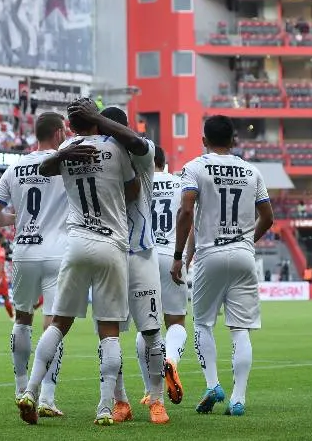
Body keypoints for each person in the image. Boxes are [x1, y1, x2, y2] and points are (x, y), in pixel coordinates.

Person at [16, 98, 139, 426]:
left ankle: (29, 390)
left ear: (70, 127)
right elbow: (133, 189)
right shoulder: (115, 149)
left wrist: (63, 154)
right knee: (109, 330)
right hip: (111, 243)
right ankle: (103, 408)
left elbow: (45, 168)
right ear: (96, 120)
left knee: (57, 323)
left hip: (76, 242)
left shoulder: (67, 149)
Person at [71, 103, 170, 424]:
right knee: (109, 333)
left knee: (152, 329)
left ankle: (156, 400)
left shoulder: (140, 153)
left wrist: (97, 119)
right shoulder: (96, 153)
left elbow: (139, 143)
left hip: (140, 251)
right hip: (107, 251)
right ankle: (121, 401)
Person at [171, 115, 274, 417]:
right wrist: (247, 241)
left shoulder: (194, 168)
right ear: (233, 141)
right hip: (243, 255)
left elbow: (187, 212)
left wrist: (179, 257)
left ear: (203, 140)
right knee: (240, 330)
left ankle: (213, 383)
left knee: (203, 323)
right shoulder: (251, 171)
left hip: (210, 254)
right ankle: (238, 399)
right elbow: (268, 217)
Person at [0, 112, 70, 417]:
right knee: (54, 324)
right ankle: (45, 396)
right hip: (57, 253)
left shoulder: (15, 166)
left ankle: (21, 388)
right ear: (59, 132)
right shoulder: (65, 164)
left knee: (22, 319)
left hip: (24, 251)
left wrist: (15, 219)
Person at [150, 146, 187, 406]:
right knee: (176, 321)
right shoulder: (180, 183)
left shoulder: (137, 182)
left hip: (142, 257)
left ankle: (150, 392)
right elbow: (189, 216)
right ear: (164, 162)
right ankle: (171, 359)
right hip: (172, 254)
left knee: (147, 325)